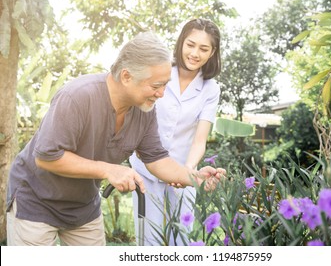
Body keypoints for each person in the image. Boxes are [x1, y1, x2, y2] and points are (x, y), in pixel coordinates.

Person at [6, 31, 225, 246]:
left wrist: (196, 178)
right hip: (37, 201)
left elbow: (157, 159)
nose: (162, 94)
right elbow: (46, 157)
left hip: (82, 206)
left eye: (165, 84)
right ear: (126, 76)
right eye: (156, 86)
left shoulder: (144, 111)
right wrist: (109, 169)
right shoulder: (77, 97)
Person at [130, 19, 222, 245]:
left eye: (203, 48)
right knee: (147, 238)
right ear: (181, 43)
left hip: (183, 168)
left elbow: (200, 139)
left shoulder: (211, 89)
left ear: (212, 53)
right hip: (146, 168)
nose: (195, 53)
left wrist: (188, 171)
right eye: (190, 44)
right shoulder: (160, 73)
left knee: (180, 238)